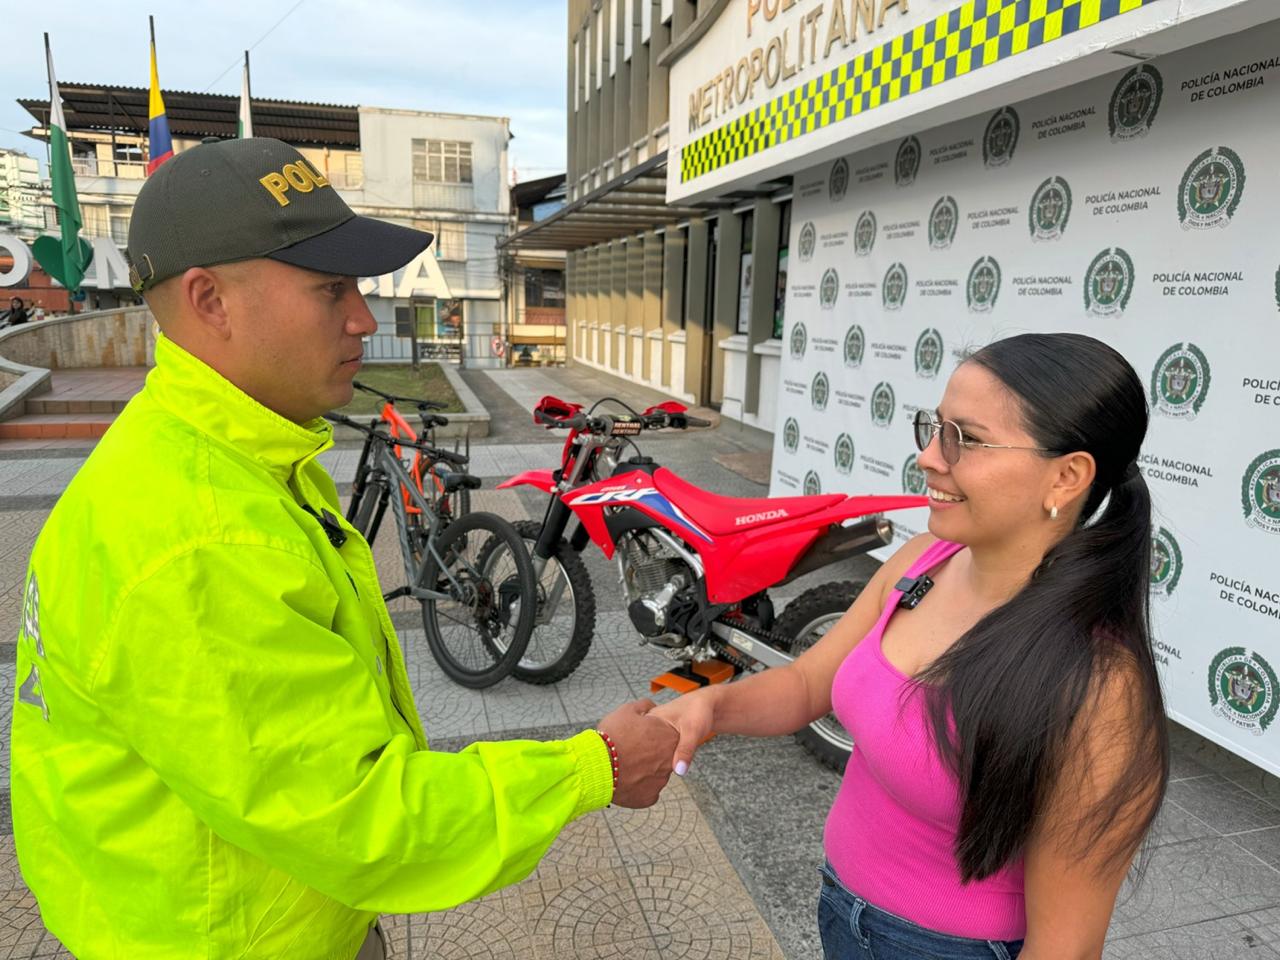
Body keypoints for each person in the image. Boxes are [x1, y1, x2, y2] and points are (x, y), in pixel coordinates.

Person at [10, 137, 677, 960]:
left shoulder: (222, 456)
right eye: (330, 288)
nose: (363, 315)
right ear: (210, 300)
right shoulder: (203, 536)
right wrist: (595, 766)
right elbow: (364, 820)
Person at [654, 332, 1169, 960]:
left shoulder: (1099, 685)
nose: (928, 457)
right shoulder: (924, 562)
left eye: (966, 439)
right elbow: (808, 682)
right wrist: (710, 709)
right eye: (934, 428)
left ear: (1066, 476)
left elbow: (1066, 946)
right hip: (840, 906)